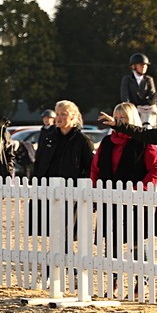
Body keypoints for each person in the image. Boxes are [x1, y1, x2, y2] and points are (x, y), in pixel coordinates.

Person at [91, 102, 157, 253]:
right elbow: (95, 168)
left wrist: (140, 189)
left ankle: (141, 276)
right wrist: (95, 190)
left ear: (131, 119)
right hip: (109, 198)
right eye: (116, 117)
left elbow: (156, 169)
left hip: (135, 200)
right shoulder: (106, 141)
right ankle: (114, 275)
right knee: (111, 241)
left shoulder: (144, 141)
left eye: (123, 117)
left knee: (136, 241)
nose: (118, 120)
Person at [29, 100, 95, 245]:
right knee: (51, 229)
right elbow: (39, 162)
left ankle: (65, 258)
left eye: (63, 114)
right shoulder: (48, 137)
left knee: (67, 231)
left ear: (73, 117)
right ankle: (57, 259)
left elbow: (91, 168)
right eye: (57, 114)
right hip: (48, 190)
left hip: (71, 193)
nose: (59, 117)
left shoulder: (83, 141)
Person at [120, 52, 157, 128]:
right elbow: (125, 96)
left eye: (145, 65)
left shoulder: (149, 79)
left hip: (146, 110)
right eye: (141, 65)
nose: (144, 67)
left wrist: (145, 106)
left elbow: (152, 95)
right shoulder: (127, 79)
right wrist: (132, 108)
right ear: (134, 66)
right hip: (133, 110)